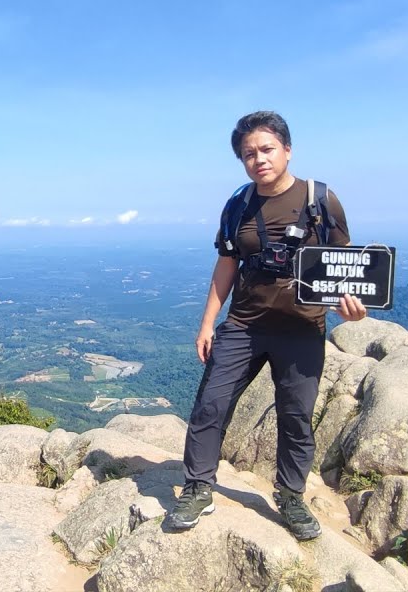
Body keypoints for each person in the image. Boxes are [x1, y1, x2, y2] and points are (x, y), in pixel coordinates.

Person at [164, 110, 368, 541]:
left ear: (287, 150)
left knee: (296, 418)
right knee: (210, 406)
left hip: (301, 328)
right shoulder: (238, 204)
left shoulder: (321, 200)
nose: (258, 159)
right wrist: (207, 324)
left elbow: (343, 268)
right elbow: (226, 263)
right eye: (248, 154)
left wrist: (347, 308)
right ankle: (199, 486)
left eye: (267, 149)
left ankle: (291, 496)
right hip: (245, 324)